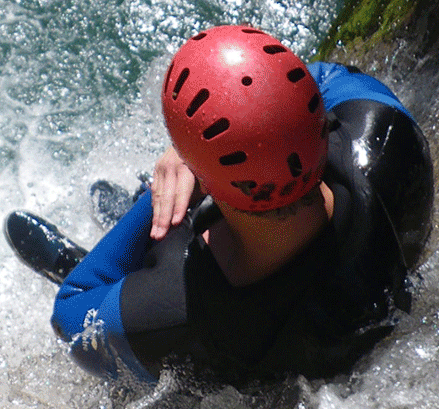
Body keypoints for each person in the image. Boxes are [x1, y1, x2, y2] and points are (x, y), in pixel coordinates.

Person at [48, 25, 433, 384]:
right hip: (350, 294)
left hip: (237, 330)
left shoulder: (173, 308)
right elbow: (321, 76)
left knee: (125, 283)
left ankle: (123, 253)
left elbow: (69, 310)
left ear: (201, 178)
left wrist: (155, 200)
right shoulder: (389, 139)